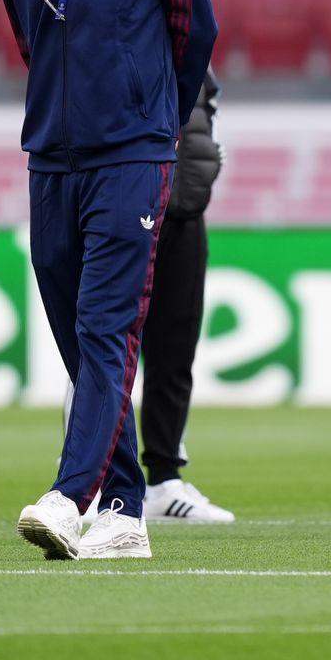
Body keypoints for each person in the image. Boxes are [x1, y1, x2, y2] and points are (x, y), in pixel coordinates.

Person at [0, 0, 217, 561]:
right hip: (51, 156)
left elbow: (197, 27)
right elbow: (33, 41)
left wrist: (154, 115)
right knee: (76, 337)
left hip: (132, 154)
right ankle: (124, 511)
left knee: (106, 326)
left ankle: (68, 492)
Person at [136, 69, 235, 523]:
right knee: (100, 347)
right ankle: (86, 479)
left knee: (175, 351)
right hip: (126, 205)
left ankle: (163, 480)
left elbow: (206, 106)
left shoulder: (194, 42)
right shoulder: (122, 30)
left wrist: (206, 160)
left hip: (186, 210)